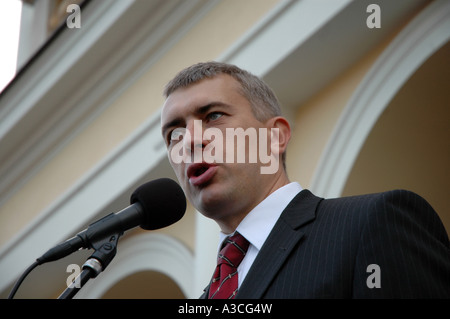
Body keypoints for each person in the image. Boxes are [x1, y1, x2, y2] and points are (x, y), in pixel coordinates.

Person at [160, 61, 450, 298]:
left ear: (275, 137)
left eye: (213, 116)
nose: (190, 140)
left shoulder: (372, 222)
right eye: (174, 134)